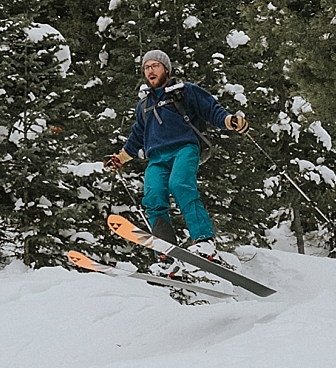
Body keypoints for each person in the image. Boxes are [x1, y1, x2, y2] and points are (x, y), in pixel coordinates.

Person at [105, 49, 248, 258]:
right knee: (153, 197)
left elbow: (212, 109)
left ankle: (204, 241)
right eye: (146, 67)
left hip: (184, 148)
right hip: (156, 158)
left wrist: (230, 121)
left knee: (180, 184)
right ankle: (165, 252)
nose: (150, 71)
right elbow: (137, 136)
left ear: (166, 69)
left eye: (154, 66)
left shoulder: (185, 91)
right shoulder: (144, 104)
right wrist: (120, 158)